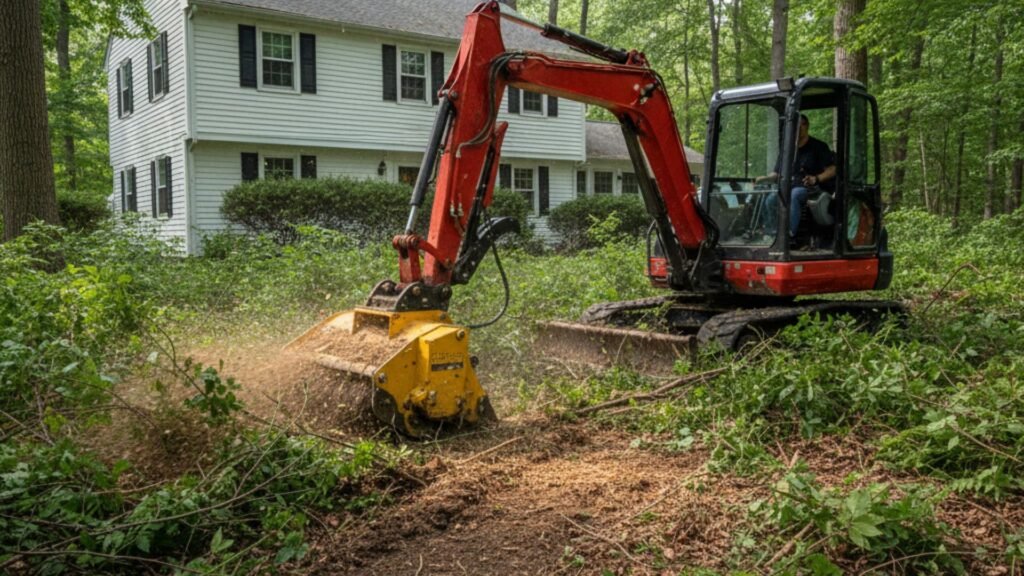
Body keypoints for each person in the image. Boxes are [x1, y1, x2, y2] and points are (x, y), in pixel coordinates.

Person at [755, 114, 836, 243]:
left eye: (802, 124)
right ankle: (771, 234)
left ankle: (788, 235)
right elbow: (776, 174)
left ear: (807, 126)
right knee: (770, 198)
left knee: (795, 194)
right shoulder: (787, 150)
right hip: (788, 187)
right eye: (796, 125)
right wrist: (764, 179)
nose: (799, 128)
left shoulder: (819, 146)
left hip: (811, 189)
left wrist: (816, 178)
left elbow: (832, 169)